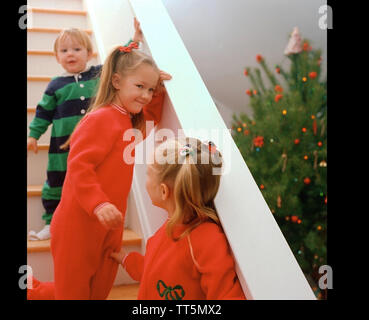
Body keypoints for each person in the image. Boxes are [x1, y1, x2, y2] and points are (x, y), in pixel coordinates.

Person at [47, 35, 172, 299]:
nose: (146, 95)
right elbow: (80, 167)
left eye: (149, 90)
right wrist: (98, 204)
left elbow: (151, 119)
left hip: (109, 223)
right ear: (116, 81)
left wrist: (158, 89)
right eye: (140, 86)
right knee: (73, 293)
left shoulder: (127, 121)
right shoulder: (101, 118)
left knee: (99, 290)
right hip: (79, 223)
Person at [27, 21, 143, 241]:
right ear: (57, 57)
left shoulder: (99, 75)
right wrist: (33, 135)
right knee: (56, 181)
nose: (70, 54)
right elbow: (43, 112)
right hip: (62, 147)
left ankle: (96, 217)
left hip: (95, 144)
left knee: (95, 178)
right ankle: (51, 222)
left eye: (77, 49)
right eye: (64, 51)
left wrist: (134, 40)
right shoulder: (55, 85)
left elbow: (117, 59)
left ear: (89, 53)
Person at [110, 138, 246, 300]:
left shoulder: (207, 239)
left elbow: (225, 295)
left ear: (163, 191)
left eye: (148, 174)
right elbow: (156, 272)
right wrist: (126, 259)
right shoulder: (172, 226)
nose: (145, 180)